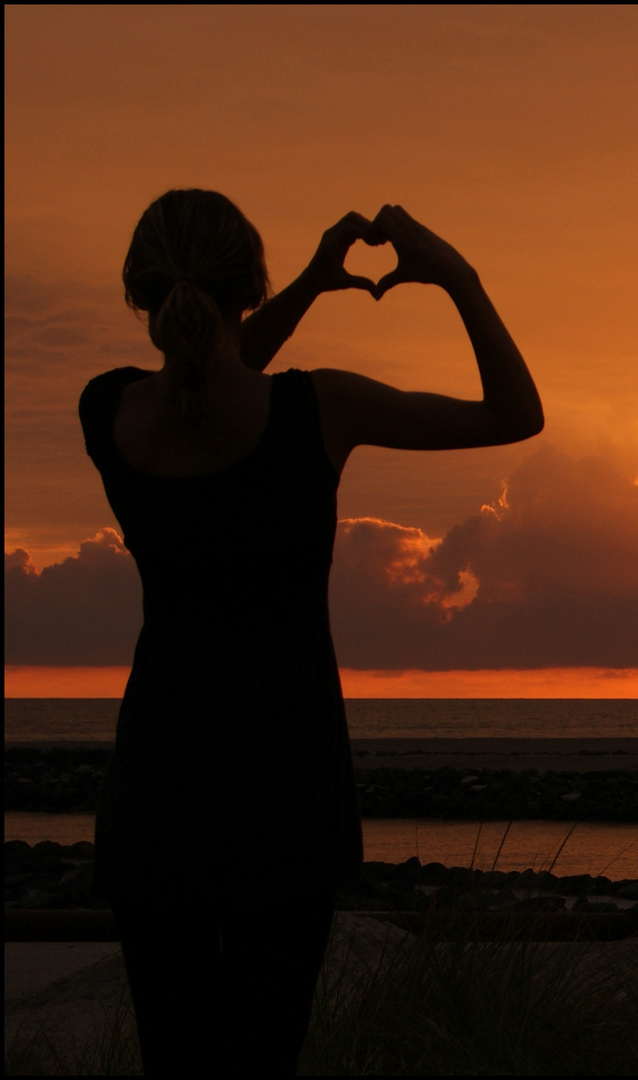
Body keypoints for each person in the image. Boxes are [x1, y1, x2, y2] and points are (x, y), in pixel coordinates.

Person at [83, 190, 543, 1074]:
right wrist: (457, 276)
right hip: (285, 793)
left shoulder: (110, 413)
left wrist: (304, 286)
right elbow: (512, 414)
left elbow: (209, 378)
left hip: (155, 791)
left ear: (143, 294)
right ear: (246, 286)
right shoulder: (319, 411)